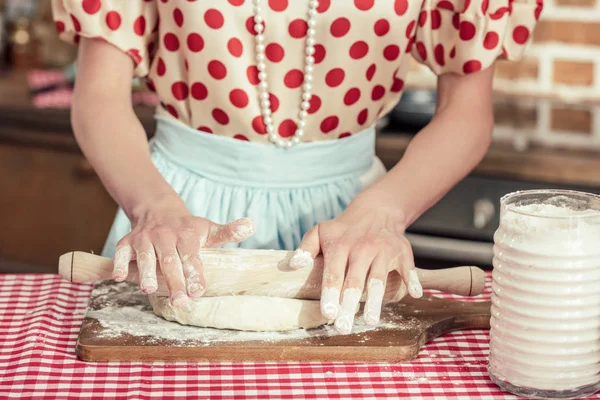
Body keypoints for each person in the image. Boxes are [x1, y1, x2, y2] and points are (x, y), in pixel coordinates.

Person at [52, 0, 542, 334]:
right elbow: (99, 96)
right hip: (174, 210)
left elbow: (467, 111)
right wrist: (152, 209)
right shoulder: (160, 209)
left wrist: (383, 213)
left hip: (357, 222)